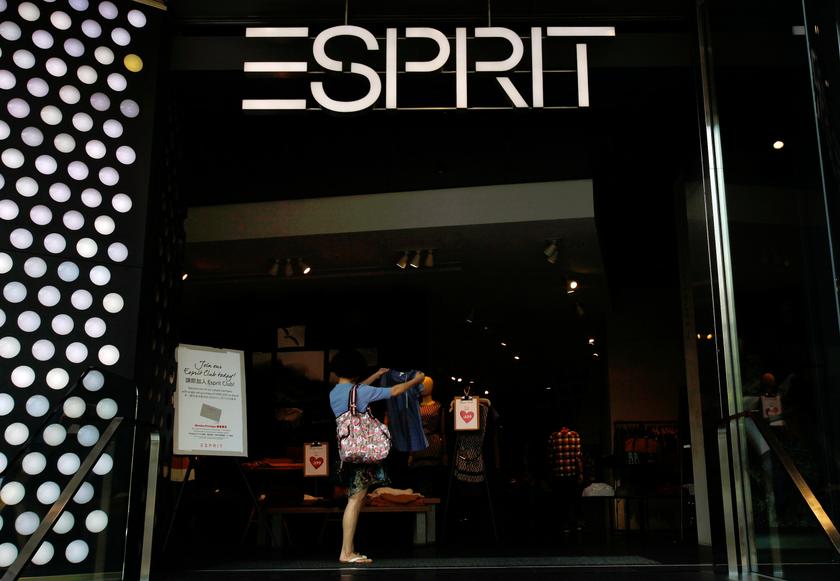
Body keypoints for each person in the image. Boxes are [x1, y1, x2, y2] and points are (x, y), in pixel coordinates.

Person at [328, 349, 425, 564]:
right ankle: (346, 552)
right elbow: (396, 390)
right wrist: (416, 380)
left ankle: (348, 550)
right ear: (356, 370)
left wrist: (375, 376)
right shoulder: (361, 392)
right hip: (362, 454)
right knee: (355, 500)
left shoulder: (335, 392)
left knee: (355, 499)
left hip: (348, 452)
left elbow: (356, 391)